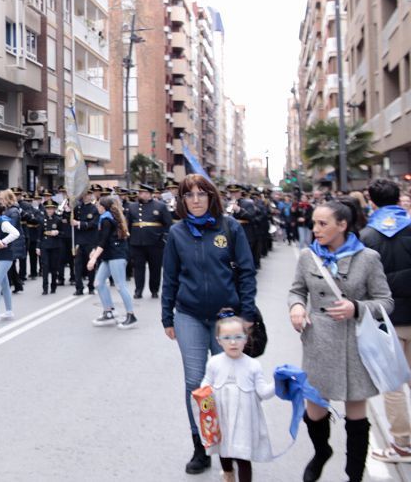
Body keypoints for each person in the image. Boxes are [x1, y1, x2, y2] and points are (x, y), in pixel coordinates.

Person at [288, 197, 393, 482]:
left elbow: (386, 302)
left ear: (343, 225)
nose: (316, 229)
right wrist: (297, 307)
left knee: (356, 416)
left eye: (323, 223)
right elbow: (297, 290)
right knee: (315, 411)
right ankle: (322, 452)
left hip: (354, 346)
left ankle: (354, 475)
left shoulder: (368, 258)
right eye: (314, 223)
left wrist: (356, 307)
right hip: (318, 344)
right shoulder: (309, 256)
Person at [163, 174, 257, 476]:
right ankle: (201, 446)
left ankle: (230, 446)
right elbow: (170, 277)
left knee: (227, 382)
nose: (196, 200)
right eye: (189, 195)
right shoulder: (177, 232)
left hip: (226, 319)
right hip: (188, 315)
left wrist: (247, 314)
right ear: (182, 200)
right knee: (195, 383)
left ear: (211, 196)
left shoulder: (229, 227)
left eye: (201, 194)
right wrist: (167, 316)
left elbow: (246, 272)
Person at [359, 178, 411, 463]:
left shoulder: (367, 236)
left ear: (372, 201)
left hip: (386, 318)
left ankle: (402, 444)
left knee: (393, 384)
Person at [199, 310, 276, 482]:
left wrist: (279, 383)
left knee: (243, 457)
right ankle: (228, 474)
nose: (233, 342)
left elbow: (263, 392)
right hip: (222, 417)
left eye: (238, 337)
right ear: (218, 340)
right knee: (223, 451)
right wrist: (204, 391)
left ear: (246, 338)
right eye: (226, 338)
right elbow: (206, 382)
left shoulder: (253, 365)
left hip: (244, 421)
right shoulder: (214, 363)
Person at [87, 195, 138, 330]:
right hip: (109, 256)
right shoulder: (105, 218)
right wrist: (94, 250)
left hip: (117, 255)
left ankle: (131, 315)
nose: (96, 207)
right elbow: (101, 239)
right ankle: (109, 311)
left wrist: (93, 259)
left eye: (98, 205)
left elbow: (103, 241)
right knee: (98, 282)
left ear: (103, 207)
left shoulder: (107, 220)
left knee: (120, 286)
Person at [126, 183, 173, 299]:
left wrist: (163, 238)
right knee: (138, 268)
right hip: (137, 243)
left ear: (150, 194)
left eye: (144, 193)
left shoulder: (160, 206)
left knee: (155, 268)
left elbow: (168, 224)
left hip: (155, 243)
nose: (141, 195)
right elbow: (128, 225)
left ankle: (154, 290)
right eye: (140, 193)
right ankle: (138, 290)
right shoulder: (132, 207)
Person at [73, 186, 100, 295]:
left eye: (88, 195)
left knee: (90, 265)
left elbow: (93, 224)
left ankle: (91, 287)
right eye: (84, 195)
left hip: (90, 240)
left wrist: (79, 224)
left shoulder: (94, 209)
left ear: (91, 195)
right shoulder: (77, 208)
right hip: (79, 240)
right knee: (78, 265)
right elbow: (71, 219)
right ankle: (79, 287)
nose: (86, 197)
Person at [0, 188, 26, 293]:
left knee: (8, 264)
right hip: (11, 240)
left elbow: (12, 227)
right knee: (10, 265)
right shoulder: (8, 210)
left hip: (14, 240)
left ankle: (8, 285)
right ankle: (18, 284)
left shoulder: (13, 211)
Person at [39, 199, 62, 295]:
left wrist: (58, 232)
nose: (50, 210)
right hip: (44, 245)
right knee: (45, 266)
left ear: (55, 209)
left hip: (55, 245)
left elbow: (63, 233)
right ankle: (45, 287)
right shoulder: (42, 219)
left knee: (54, 267)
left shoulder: (58, 219)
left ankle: (53, 285)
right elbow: (39, 234)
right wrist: (38, 247)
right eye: (48, 209)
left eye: (52, 209)